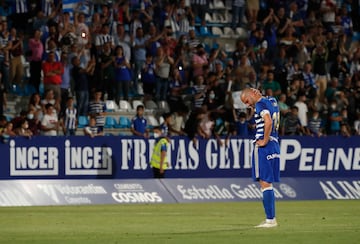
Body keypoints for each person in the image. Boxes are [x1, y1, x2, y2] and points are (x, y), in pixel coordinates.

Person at [240, 88, 280, 228]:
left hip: (265, 147)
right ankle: (270, 218)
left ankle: (270, 220)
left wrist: (264, 140)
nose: (247, 104)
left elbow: (268, 121)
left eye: (246, 101)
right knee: (267, 182)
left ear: (253, 94)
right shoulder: (272, 101)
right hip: (275, 144)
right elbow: (269, 119)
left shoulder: (259, 104)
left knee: (264, 182)